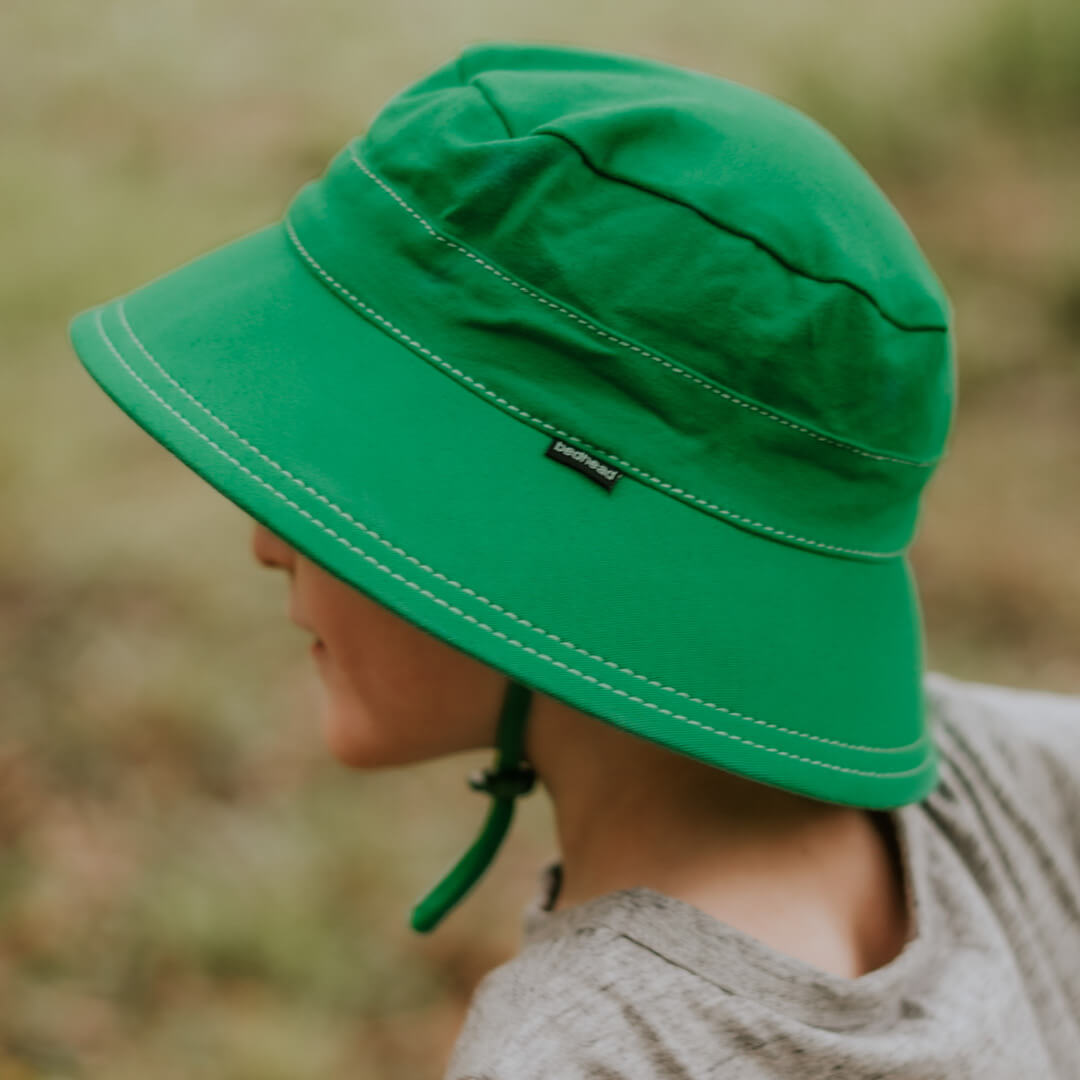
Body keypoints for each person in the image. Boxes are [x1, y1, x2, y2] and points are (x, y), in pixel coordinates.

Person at [68, 40, 1079, 1079]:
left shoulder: (579, 1056)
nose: (267, 545)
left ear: (546, 542)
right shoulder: (1021, 780)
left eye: (350, 497)